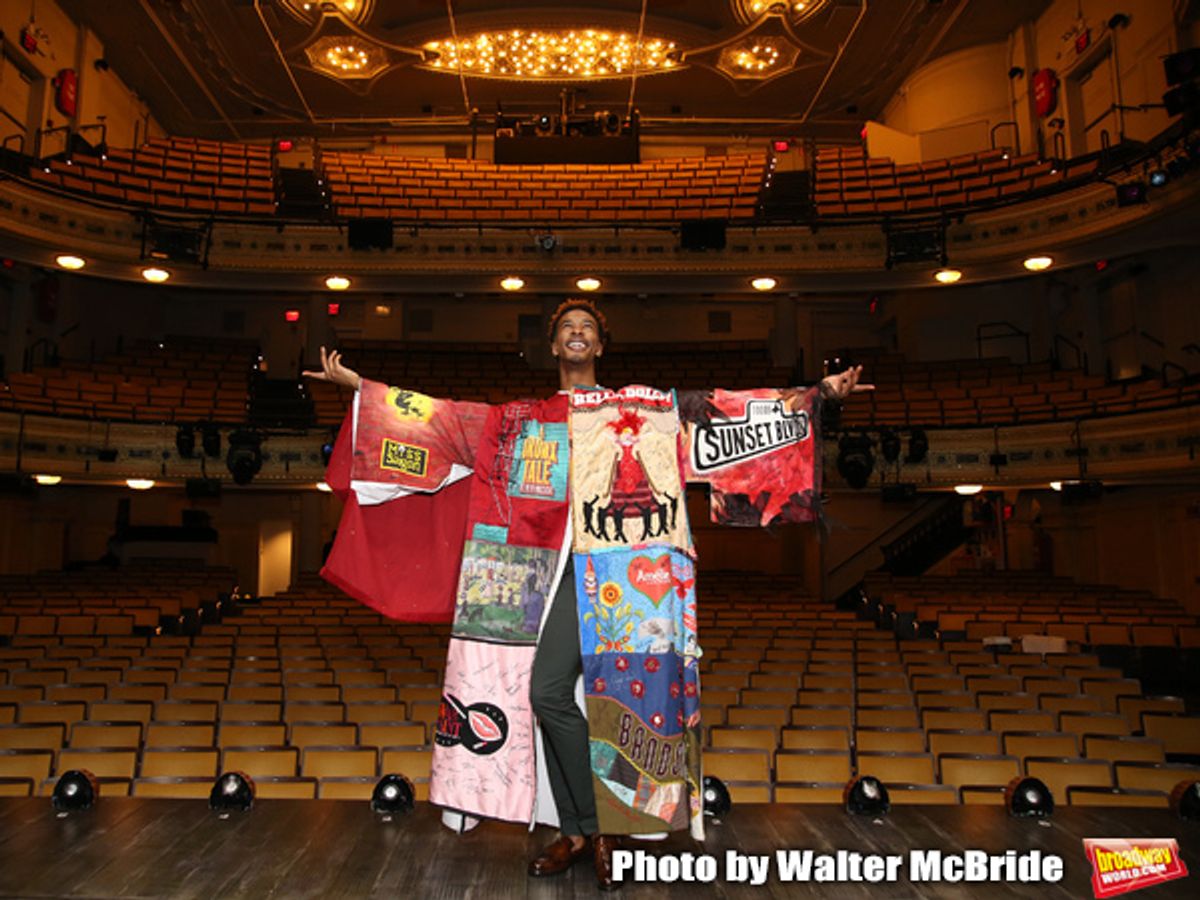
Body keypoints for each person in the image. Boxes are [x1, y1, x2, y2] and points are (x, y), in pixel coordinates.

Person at [306, 300, 866, 890]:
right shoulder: (518, 418)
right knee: (548, 696)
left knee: (569, 695)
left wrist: (819, 394)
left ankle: (590, 830)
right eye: (566, 328)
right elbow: (441, 419)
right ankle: (584, 830)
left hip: (621, 573)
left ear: (600, 347)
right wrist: (361, 389)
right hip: (530, 574)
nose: (577, 334)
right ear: (553, 347)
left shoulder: (640, 408)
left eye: (588, 329)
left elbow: (721, 414)